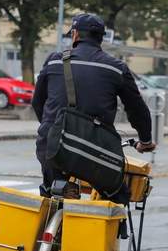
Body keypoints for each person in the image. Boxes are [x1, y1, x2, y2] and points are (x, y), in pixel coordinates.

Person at [31, 13, 156, 199]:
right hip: (94, 153)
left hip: (52, 148)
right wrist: (145, 141)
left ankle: (50, 213)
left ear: (75, 35)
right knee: (117, 195)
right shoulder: (116, 68)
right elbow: (137, 109)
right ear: (101, 38)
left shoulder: (54, 60)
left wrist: (57, 129)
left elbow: (37, 101)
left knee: (52, 193)